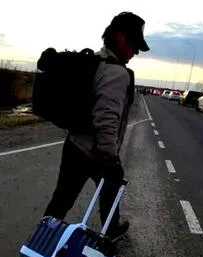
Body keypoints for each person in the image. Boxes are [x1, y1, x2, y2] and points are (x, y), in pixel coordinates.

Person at [43, 11, 149, 242]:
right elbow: (107, 118)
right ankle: (110, 233)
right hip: (96, 151)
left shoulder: (95, 61)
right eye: (134, 45)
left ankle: (43, 237)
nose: (135, 52)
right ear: (122, 39)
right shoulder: (117, 72)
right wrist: (110, 158)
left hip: (74, 144)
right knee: (111, 186)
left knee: (62, 198)